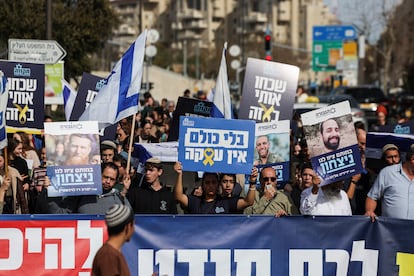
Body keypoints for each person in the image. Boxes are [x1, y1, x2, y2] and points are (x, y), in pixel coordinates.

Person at [38, 162, 131, 214]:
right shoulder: (83, 193)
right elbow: (60, 214)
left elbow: (129, 218)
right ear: (99, 175)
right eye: (106, 177)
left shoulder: (118, 197)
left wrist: (124, 194)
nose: (108, 181)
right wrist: (49, 190)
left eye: (112, 179)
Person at [173, 161, 256, 214]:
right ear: (202, 185)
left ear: (218, 184)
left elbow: (248, 202)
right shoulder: (195, 201)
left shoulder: (226, 202)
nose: (211, 185)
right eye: (207, 183)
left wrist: (252, 182)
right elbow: (179, 196)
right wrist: (179, 174)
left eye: (214, 182)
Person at [365, 146, 414, 221]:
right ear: (412, 159)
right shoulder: (387, 173)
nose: (393, 159)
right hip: (390, 228)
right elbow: (372, 197)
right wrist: (369, 211)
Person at [92, 204, 134, 276]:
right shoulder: (108, 255)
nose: (134, 230)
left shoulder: (111, 253)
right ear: (128, 227)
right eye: (133, 225)